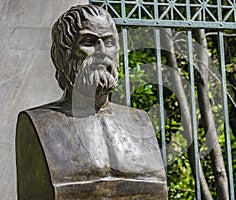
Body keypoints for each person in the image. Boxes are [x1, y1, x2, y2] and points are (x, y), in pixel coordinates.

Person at [16, 4, 167, 199]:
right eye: (89, 42)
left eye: (109, 42)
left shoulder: (140, 121)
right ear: (65, 53)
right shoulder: (39, 123)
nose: (102, 51)